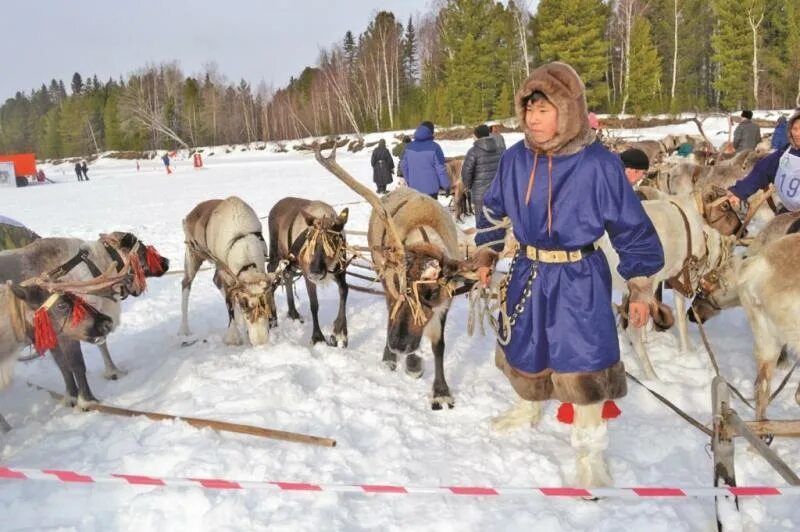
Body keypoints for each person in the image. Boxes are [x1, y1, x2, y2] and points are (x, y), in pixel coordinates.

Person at [475, 62, 664, 488]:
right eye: (528, 110)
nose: (533, 119)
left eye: (543, 110)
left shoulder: (598, 164)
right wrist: (486, 253)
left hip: (579, 276)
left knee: (584, 364)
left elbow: (631, 228)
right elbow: (491, 208)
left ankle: (590, 451)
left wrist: (640, 286)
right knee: (526, 348)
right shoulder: (514, 159)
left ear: (569, 111)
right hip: (528, 270)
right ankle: (528, 405)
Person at [727, 108, 800, 213]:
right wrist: (739, 192)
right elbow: (761, 171)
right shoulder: (784, 153)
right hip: (788, 212)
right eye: (795, 129)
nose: (797, 134)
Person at [461, 124, 504, 246]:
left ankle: (483, 251)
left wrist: (468, 187)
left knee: (482, 224)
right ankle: (498, 247)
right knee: (497, 222)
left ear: (476, 136)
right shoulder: (500, 150)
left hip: (480, 195)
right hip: (497, 193)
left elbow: (466, 173)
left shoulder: (473, 152)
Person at [399, 121, 450, 199]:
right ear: (431, 132)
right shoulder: (435, 147)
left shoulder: (408, 147)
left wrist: (409, 181)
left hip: (414, 189)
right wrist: (446, 185)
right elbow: (441, 169)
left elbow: (403, 166)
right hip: (431, 191)